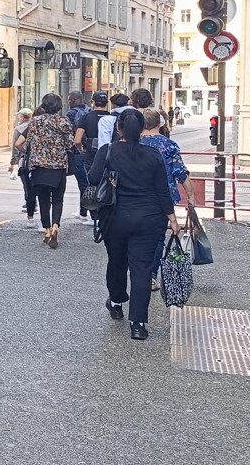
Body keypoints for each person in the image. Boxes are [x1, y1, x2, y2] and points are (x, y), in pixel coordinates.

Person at [88, 109, 181, 340]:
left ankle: (117, 301)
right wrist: (172, 218)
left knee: (116, 261)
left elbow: (92, 178)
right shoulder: (153, 155)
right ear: (141, 129)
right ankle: (138, 324)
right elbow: (162, 190)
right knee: (141, 269)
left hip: (115, 218)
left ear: (118, 128)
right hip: (149, 218)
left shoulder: (107, 151)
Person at [139, 107, 195, 290]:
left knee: (135, 236)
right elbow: (180, 172)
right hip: (164, 197)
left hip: (136, 195)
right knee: (157, 237)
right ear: (159, 123)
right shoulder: (168, 145)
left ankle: (136, 271)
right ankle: (151, 276)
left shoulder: (133, 142)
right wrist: (191, 196)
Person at [14, 94, 73, 248]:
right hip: (58, 167)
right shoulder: (63, 121)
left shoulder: (34, 122)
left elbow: (26, 143)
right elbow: (69, 144)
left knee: (43, 199)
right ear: (59, 107)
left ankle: (46, 231)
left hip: (39, 166)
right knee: (58, 199)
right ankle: (55, 227)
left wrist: (31, 152)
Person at [65, 90, 92, 222]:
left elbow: (70, 133)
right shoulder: (90, 111)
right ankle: (85, 210)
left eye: (70, 99)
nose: (69, 102)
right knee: (87, 181)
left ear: (75, 100)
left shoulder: (71, 113)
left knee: (82, 182)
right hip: (91, 150)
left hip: (78, 151)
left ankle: (86, 211)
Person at [7, 108, 36, 225]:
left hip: (24, 161)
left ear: (23, 117)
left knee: (27, 186)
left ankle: (30, 207)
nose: (19, 118)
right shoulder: (37, 126)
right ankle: (34, 203)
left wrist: (13, 162)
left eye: (20, 116)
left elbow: (16, 147)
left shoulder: (19, 129)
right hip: (40, 160)